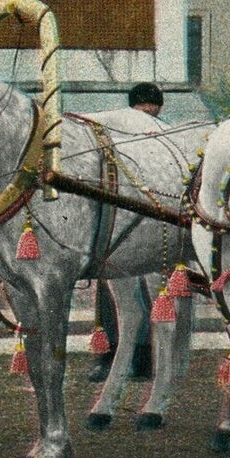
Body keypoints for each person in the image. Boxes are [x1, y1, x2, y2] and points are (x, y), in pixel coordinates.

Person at [87, 83, 161, 383]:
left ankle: (144, 357)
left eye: (152, 111)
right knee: (110, 292)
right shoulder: (114, 136)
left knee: (153, 291)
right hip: (120, 221)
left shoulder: (161, 137)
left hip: (152, 223)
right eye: (142, 111)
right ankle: (107, 356)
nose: (147, 117)